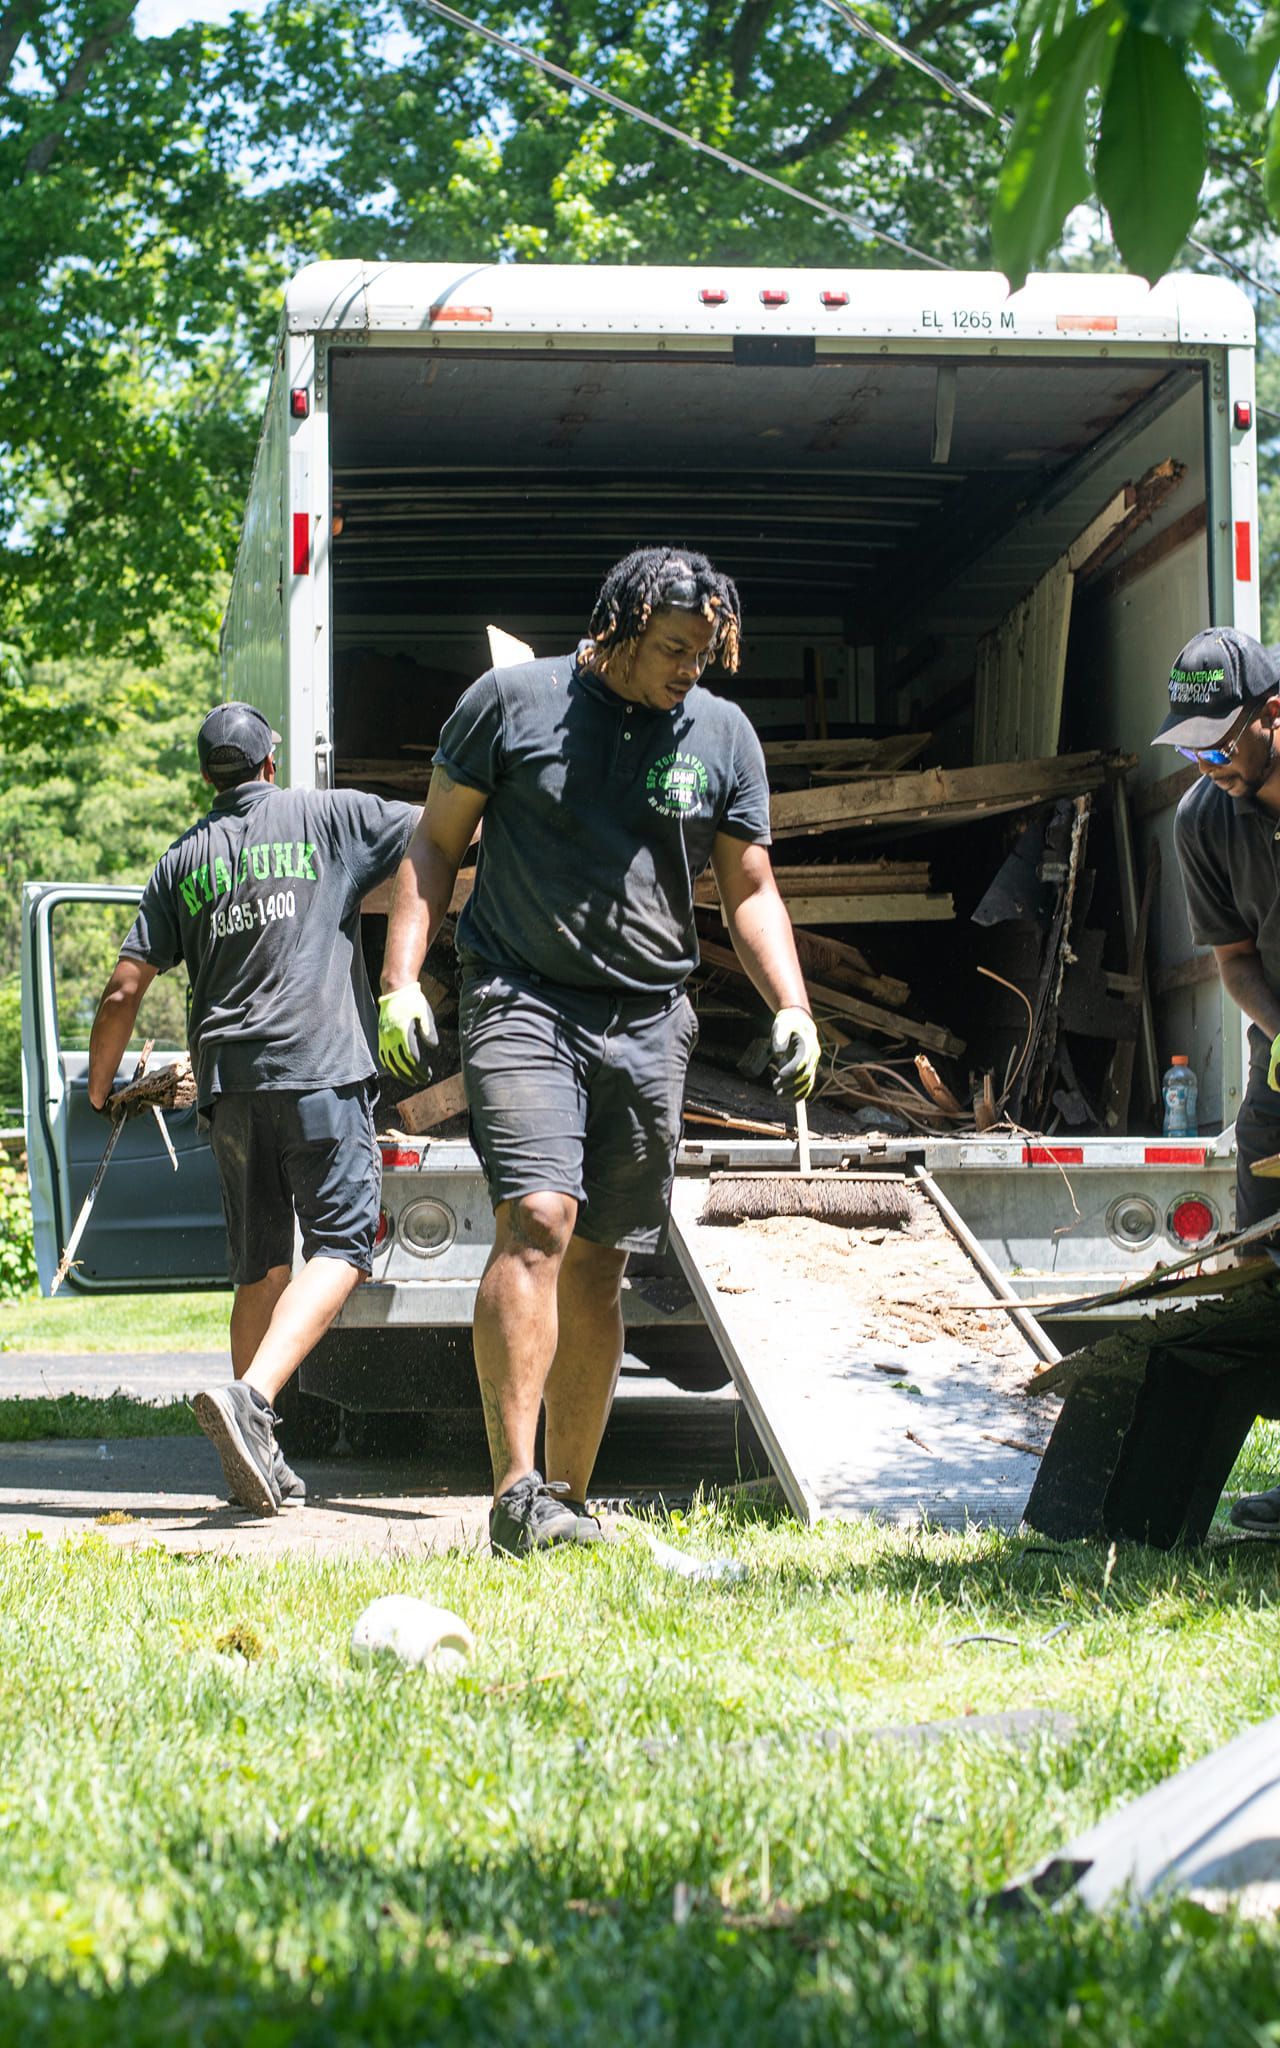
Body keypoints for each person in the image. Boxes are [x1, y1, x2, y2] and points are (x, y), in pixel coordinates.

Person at [378, 546, 820, 1557]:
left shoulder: (721, 733)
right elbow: (434, 843)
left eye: (702, 654)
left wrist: (790, 1003)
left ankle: (566, 1497)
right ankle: (514, 1489)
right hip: (520, 995)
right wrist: (402, 978)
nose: (686, 671)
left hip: (648, 1016)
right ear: (615, 628)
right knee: (537, 1212)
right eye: (670, 649)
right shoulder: (509, 703)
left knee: (599, 1261)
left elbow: (748, 886)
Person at [87, 702, 420, 1515]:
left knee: (261, 1267)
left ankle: (257, 1457)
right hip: (318, 1074)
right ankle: (255, 1402)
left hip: (231, 1090)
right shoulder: (329, 816)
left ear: (209, 776)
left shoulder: (181, 861)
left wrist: (101, 1090)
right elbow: (443, 828)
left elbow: (126, 985)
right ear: (272, 762)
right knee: (341, 1245)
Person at [1153, 625, 1280, 1532]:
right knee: (1270, 1255)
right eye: (1189, 746)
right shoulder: (1203, 819)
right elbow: (1236, 960)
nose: (1203, 763)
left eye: (1218, 742)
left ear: (1274, 714)